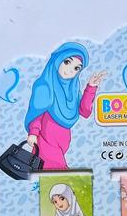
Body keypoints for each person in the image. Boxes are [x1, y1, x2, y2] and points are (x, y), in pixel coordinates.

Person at [24, 41, 106, 169]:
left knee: (47, 172)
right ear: (58, 60)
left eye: (76, 68)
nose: (70, 70)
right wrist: (33, 133)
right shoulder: (44, 86)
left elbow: (84, 111)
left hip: (63, 139)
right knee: (57, 170)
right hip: (46, 136)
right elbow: (37, 112)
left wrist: (91, 87)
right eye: (67, 62)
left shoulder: (72, 89)